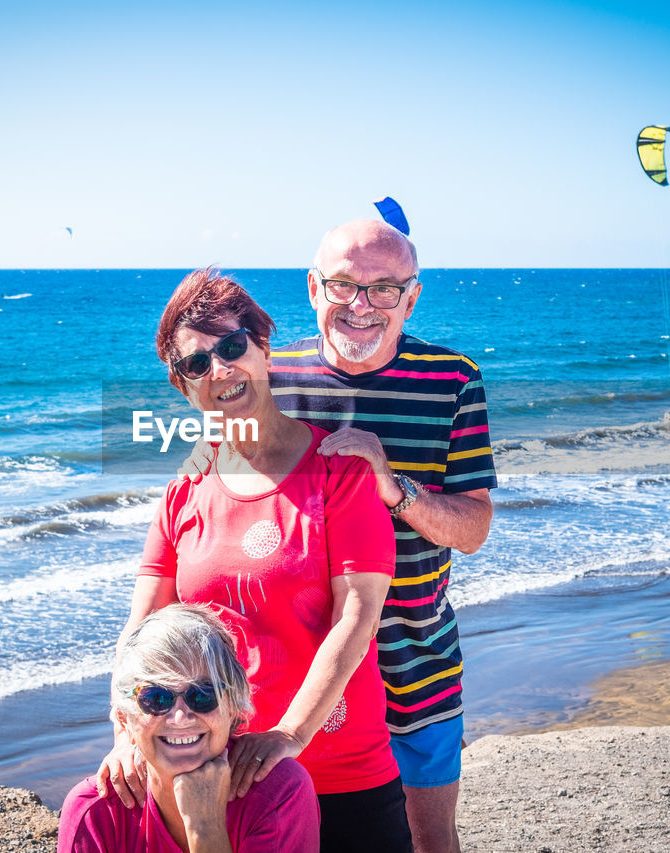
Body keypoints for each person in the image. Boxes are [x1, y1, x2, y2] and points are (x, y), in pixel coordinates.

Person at [99, 269, 414, 852]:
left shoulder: (340, 472)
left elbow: (358, 616)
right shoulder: (182, 493)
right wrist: (126, 731)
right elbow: (141, 632)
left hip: (342, 773)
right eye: (197, 364)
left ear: (264, 349)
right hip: (222, 779)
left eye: (232, 347)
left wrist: (288, 735)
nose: (219, 370)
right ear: (181, 384)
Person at [267, 220, 497, 853]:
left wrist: (394, 486)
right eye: (343, 284)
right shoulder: (266, 381)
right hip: (302, 666)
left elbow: (473, 528)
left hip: (414, 661)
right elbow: (221, 498)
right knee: (296, 837)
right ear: (314, 289)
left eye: (383, 288)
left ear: (412, 297)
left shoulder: (453, 380)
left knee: (430, 841)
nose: (360, 304)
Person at [58, 604, 319, 852]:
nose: (180, 717)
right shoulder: (95, 811)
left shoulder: (277, 792)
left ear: (233, 708)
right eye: (156, 698)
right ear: (125, 718)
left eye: (203, 695)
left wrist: (205, 827)